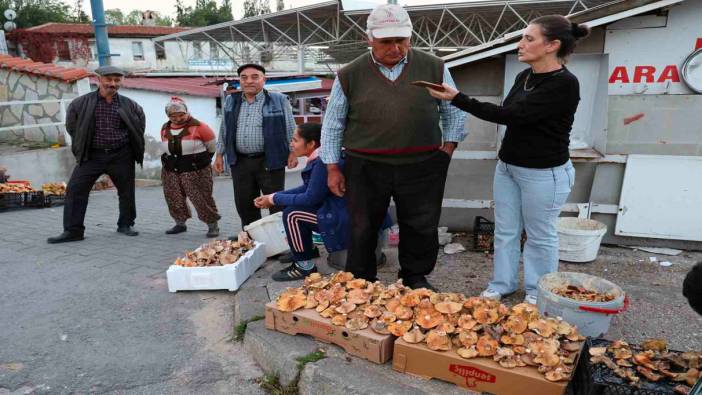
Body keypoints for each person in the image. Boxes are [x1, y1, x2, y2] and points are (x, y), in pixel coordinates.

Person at [424, 15, 589, 304]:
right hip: (509, 167)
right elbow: (509, 112)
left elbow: (512, 116)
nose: (520, 44)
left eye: (529, 38)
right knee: (506, 231)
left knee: (540, 236)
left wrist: (458, 98)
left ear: (552, 45)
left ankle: (539, 292)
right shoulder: (524, 76)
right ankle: (503, 283)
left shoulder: (564, 84)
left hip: (544, 173)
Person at [320, 4, 466, 291]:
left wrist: (447, 149)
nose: (395, 47)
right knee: (362, 225)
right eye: (386, 41)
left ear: (410, 37)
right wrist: (332, 167)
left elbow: (454, 111)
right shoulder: (349, 74)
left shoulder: (434, 67)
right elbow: (333, 124)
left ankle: (414, 277)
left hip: (422, 164)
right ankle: (362, 280)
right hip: (365, 165)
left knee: (421, 224)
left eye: (401, 40)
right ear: (369, 38)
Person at [48, 66, 145, 244]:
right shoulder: (80, 103)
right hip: (91, 156)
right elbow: (72, 127)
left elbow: (138, 126)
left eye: (117, 80)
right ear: (98, 79)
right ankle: (73, 231)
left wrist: (130, 150)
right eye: (108, 79)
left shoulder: (130, 105)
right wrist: (83, 146)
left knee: (126, 192)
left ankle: (126, 224)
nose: (113, 84)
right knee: (75, 190)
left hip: (121, 155)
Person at [214, 63, 298, 236]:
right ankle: (253, 238)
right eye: (244, 78)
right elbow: (225, 129)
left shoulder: (278, 99)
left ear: (263, 79)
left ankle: (281, 240)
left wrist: (293, 152)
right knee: (244, 203)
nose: (248, 81)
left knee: (275, 201)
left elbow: (291, 128)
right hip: (240, 161)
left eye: (254, 77)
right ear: (239, 81)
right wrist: (219, 155)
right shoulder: (232, 100)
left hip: (270, 160)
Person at [254, 123, 339, 281]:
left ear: (312, 143)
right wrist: (273, 195)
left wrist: (273, 199)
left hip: (340, 219)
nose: (291, 144)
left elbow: (310, 197)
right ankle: (308, 250)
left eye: (295, 140)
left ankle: (304, 266)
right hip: (334, 211)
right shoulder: (319, 158)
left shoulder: (321, 162)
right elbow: (306, 189)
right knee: (295, 208)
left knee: (292, 214)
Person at [160, 97, 221, 237]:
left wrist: (199, 161)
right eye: (173, 116)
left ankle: (212, 226)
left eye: (181, 115)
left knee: (201, 197)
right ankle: (180, 223)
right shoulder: (165, 127)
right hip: (171, 169)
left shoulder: (200, 126)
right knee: (173, 197)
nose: (178, 118)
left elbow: (211, 147)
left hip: (196, 169)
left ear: (187, 112)